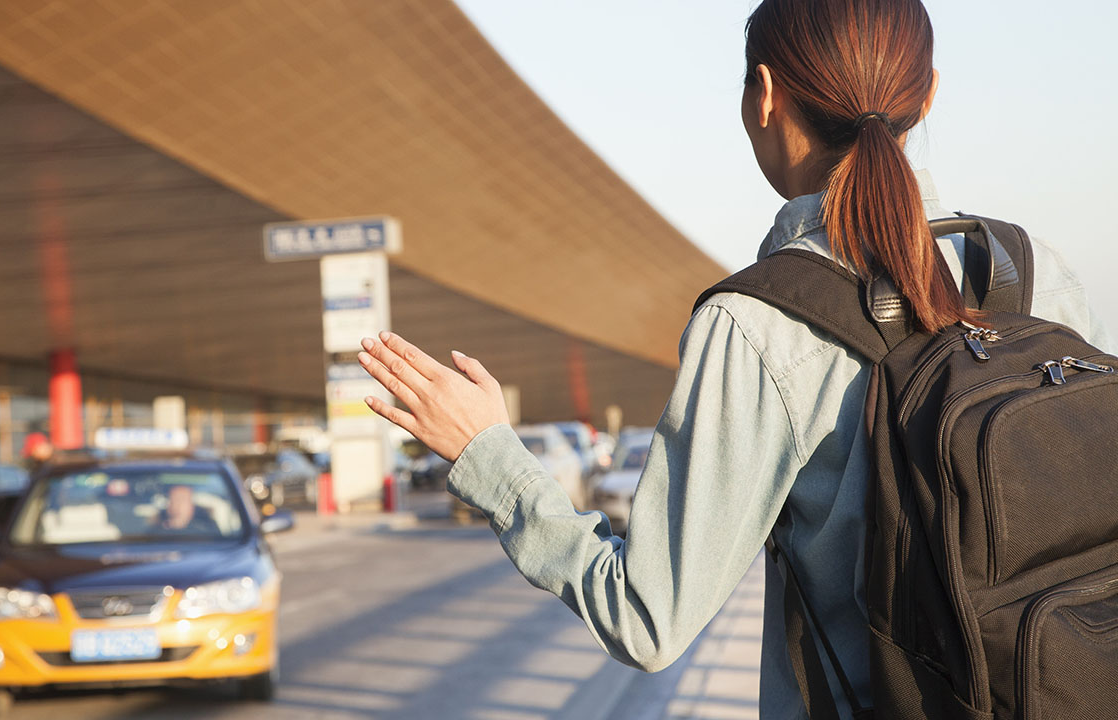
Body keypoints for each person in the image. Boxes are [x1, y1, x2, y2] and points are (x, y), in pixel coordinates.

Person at [355, 0, 1112, 718]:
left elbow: (648, 616)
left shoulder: (758, 324)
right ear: (931, 94)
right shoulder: (1035, 270)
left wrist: (489, 456)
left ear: (764, 96)